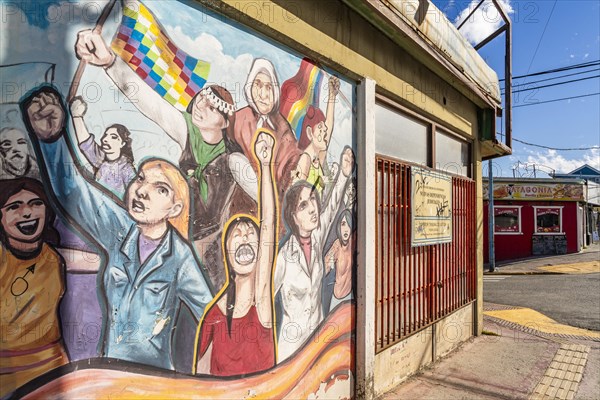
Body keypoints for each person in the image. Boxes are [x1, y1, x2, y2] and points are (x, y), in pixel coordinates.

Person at [21, 86, 213, 371]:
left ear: (174, 209)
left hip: (155, 380)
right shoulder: (119, 228)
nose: (142, 192)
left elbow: (211, 316)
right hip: (110, 373)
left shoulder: (179, 257)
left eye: (160, 189)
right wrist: (52, 139)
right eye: (140, 179)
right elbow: (76, 191)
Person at [73, 29, 255, 290]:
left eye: (211, 107)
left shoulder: (233, 160)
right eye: (201, 100)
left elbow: (264, 196)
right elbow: (149, 103)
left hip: (212, 250)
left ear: (224, 122)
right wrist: (109, 62)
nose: (201, 107)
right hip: (176, 241)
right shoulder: (186, 131)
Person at [196, 130, 277, 376]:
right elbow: (200, 378)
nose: (243, 235)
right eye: (236, 235)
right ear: (228, 257)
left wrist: (265, 165)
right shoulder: (214, 314)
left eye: (249, 233)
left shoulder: (260, 301)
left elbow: (268, 222)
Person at [274, 146, 354, 362]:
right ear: (293, 216)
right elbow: (265, 297)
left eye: (312, 200)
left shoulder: (316, 239)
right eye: (303, 205)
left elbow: (331, 207)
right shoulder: (284, 256)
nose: (312, 209)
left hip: (317, 341)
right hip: (292, 350)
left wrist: (344, 174)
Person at [0, 178, 68, 398]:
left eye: (36, 203)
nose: (27, 213)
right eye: (14, 207)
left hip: (51, 371)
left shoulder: (53, 259)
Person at [233, 58, 301, 198]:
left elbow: (292, 165)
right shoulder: (238, 119)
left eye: (269, 87)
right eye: (258, 85)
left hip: (275, 202)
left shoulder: (283, 129)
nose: (263, 94)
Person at [69, 96, 136, 196]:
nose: (105, 139)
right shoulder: (101, 159)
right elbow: (86, 143)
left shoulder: (126, 169)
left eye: (113, 137)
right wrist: (76, 116)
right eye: (106, 135)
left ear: (122, 143)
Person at [294, 76, 340, 194]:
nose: (325, 131)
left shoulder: (317, 158)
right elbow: (296, 196)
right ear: (309, 133)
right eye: (320, 128)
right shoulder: (305, 159)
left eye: (324, 128)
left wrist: (332, 96)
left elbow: (329, 126)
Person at [323, 209, 356, 313]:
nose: (345, 229)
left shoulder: (354, 242)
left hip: (350, 297)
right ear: (339, 227)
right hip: (337, 300)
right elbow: (323, 268)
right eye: (343, 224)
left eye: (348, 225)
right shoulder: (337, 246)